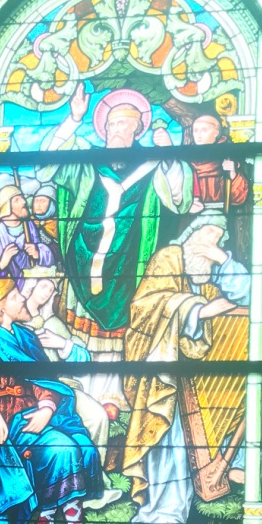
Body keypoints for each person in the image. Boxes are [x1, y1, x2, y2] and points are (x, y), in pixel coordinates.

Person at [38, 84, 193, 404]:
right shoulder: (86, 162)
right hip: (83, 256)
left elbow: (179, 198)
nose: (116, 130)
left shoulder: (153, 166)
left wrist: (168, 154)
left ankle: (115, 396)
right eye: (111, 124)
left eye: (124, 124)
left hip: (130, 260)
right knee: (82, 328)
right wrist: (73, 119)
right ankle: (78, 391)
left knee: (122, 327)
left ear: (138, 128)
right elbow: (45, 166)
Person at [122, 212, 249, 524]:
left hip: (197, 367)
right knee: (170, 434)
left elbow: (250, 292)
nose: (213, 241)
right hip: (162, 364)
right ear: (192, 233)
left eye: (219, 237)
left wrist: (222, 259)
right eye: (208, 233)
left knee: (234, 401)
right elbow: (146, 306)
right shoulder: (169, 257)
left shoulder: (210, 268)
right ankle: (165, 512)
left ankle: (231, 465)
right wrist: (199, 310)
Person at [0, 278, 102, 524]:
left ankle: (46, 518)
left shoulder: (26, 337)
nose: (22, 300)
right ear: (1, 307)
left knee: (83, 445)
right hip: (9, 419)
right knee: (63, 448)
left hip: (37, 414)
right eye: (16, 296)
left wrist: (46, 407)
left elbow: (44, 380)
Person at [23, 270, 122, 509]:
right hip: (32, 392)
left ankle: (92, 485)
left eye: (51, 289)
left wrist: (63, 344)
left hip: (65, 389)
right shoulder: (16, 322)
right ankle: (62, 492)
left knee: (97, 416)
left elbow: (83, 357)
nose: (47, 293)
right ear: (31, 286)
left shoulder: (53, 323)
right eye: (43, 286)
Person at [0, 184, 54, 279]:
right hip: (3, 282)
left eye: (22, 198)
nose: (24, 202)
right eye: (17, 200)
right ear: (7, 206)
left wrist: (38, 252)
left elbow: (51, 255)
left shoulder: (30, 225)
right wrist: (0, 264)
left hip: (31, 278)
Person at [190, 114, 248, 214]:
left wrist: (233, 174)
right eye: (195, 131)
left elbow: (238, 198)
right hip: (190, 218)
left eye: (204, 130)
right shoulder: (187, 161)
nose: (199, 135)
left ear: (216, 133)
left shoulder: (226, 157)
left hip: (219, 215)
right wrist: (187, 205)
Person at [29, 183, 61, 265]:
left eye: (42, 201)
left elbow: (61, 250)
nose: (38, 205)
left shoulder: (59, 224)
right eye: (36, 201)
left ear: (52, 205)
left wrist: (40, 253)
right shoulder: (28, 223)